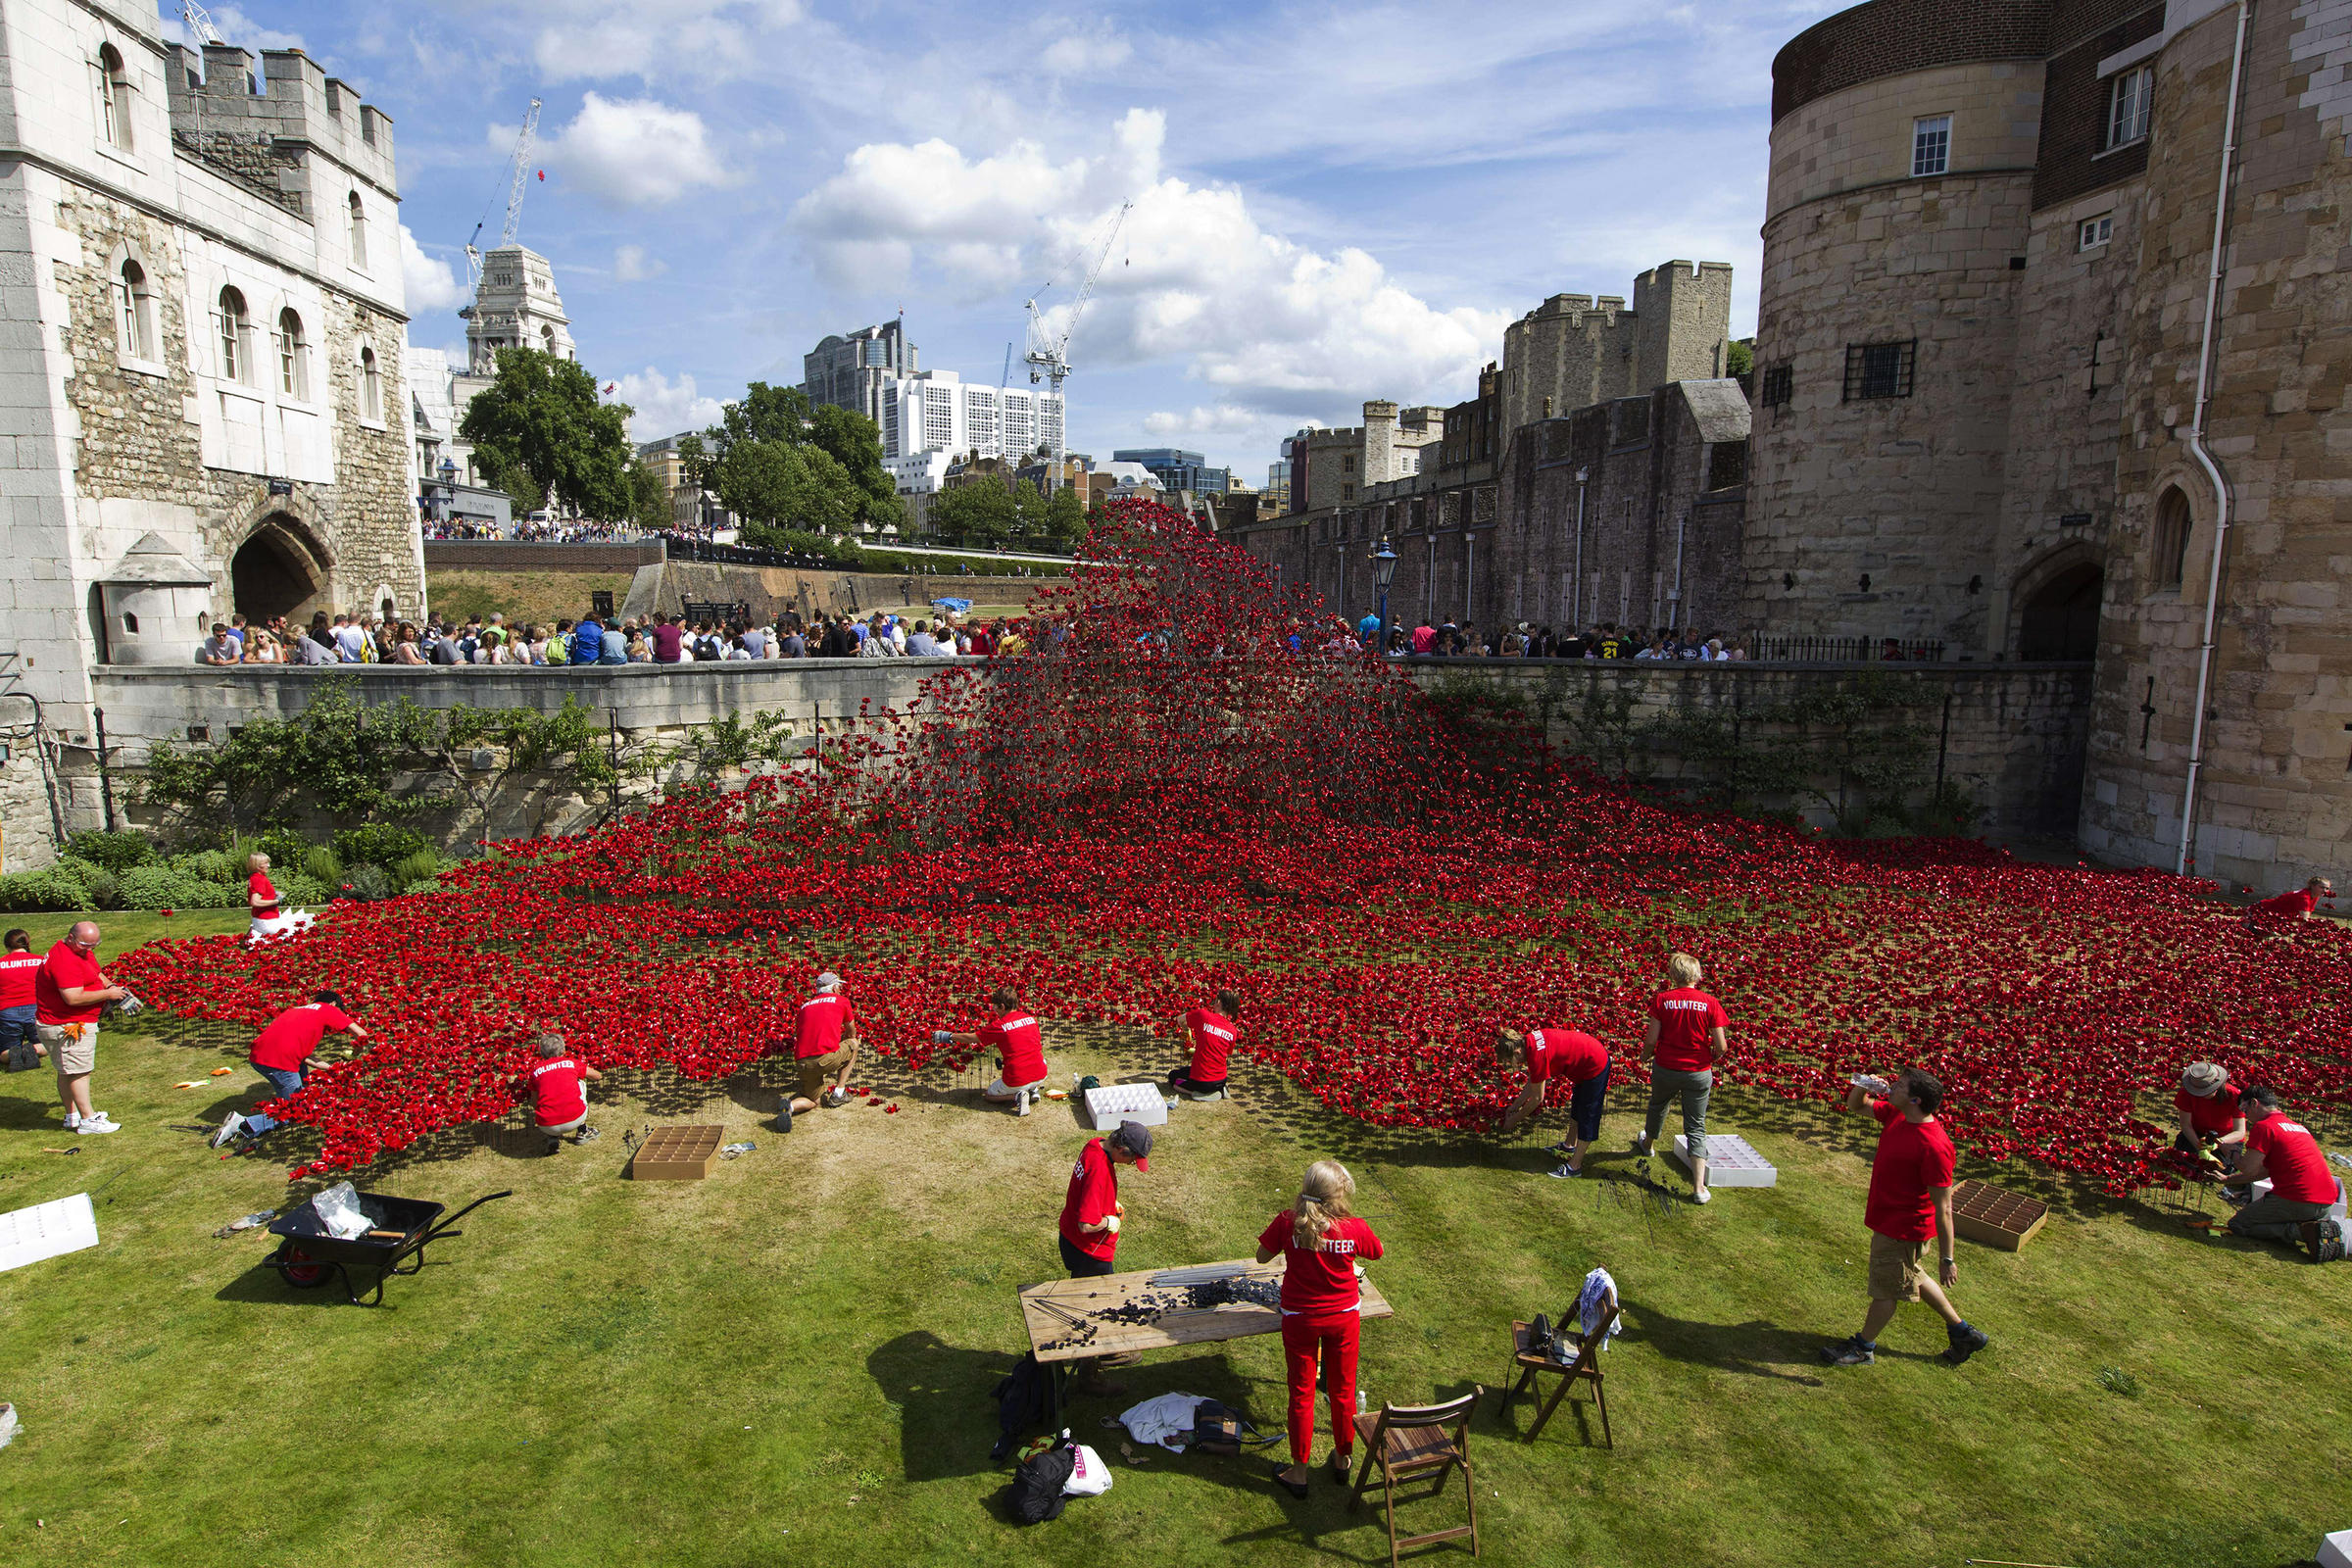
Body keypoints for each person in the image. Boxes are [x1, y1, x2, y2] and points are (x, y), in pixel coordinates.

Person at [1818, 1068, 1987, 1366]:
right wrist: (1862, 1085)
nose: (1891, 1086)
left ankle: (1862, 1348)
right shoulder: (1898, 1115)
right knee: (1911, 1276)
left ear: (1915, 1100)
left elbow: (1944, 1207)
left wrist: (1948, 1258)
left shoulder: (1934, 1146)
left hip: (1903, 1230)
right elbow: (1856, 1106)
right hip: (1891, 1223)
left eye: (1898, 1085)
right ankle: (1963, 1333)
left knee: (1885, 1291)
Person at [1256, 1160, 1384, 1497]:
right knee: (1343, 1392)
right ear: (1337, 1195)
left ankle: (1298, 1473)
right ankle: (1343, 1461)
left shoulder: (1288, 1222)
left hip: (1299, 1317)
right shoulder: (1353, 1227)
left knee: (1301, 1393)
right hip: (1343, 1318)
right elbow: (1377, 1252)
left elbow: (1261, 1257)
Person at [1057, 1119, 1152, 1396]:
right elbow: (1087, 1224)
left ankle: (1092, 1358)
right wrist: (1109, 1221)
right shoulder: (1100, 1168)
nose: (1133, 1165)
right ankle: (1091, 1373)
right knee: (1096, 1310)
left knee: (1085, 1302)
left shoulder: (1094, 1146)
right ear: (1121, 1148)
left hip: (1072, 1243)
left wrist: (1108, 1205)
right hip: (1091, 1252)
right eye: (1132, 1159)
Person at [211, 990, 370, 1146]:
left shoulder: (297, 1010)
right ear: (334, 1003)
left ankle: (299, 1100)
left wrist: (333, 1069)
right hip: (279, 1062)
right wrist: (354, 1056)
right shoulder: (328, 1008)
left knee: (304, 1093)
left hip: (260, 1057)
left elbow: (303, 1056)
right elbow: (362, 1035)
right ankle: (243, 1124)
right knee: (295, 1110)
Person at [1631, 952, 1728, 1201]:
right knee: (1696, 1124)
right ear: (1697, 975)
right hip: (1698, 1071)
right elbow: (1721, 1045)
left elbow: (1651, 1039)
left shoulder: (1662, 999)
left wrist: (1644, 1056)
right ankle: (1698, 1188)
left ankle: (1648, 1144)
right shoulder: (1710, 1002)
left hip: (1666, 1067)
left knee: (1658, 1105)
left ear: (1673, 974)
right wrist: (1713, 1057)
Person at [2221, 1085, 2343, 1259]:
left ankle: (2301, 1231)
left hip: (2298, 1198)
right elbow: (2263, 1172)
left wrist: (2230, 1151)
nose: (2245, 1115)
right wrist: (2227, 1179)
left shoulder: (2265, 1127)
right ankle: (2312, 1226)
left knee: (2239, 1224)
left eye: (2244, 1109)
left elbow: (2248, 1168)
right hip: (2327, 1200)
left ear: (2254, 1103)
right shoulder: (2297, 1127)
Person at [35, 920, 127, 1135]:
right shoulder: (64, 960)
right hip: (68, 1025)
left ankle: (72, 1116)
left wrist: (110, 985)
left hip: (61, 1022)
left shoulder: (78, 951)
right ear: (71, 938)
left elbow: (95, 973)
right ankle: (88, 1120)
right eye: (86, 945)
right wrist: (107, 995)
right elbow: (72, 997)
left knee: (66, 1070)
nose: (90, 949)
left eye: (95, 945)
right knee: (79, 1071)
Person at [1492, 1025, 1610, 1177]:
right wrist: (1514, 1106)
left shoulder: (1536, 1055)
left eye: (1510, 1060)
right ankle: (1569, 1146)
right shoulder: (1528, 1041)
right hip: (1585, 1058)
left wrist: (1514, 1119)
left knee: (1588, 1116)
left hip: (1594, 1064)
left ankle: (1575, 1166)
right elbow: (1534, 1081)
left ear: (1517, 1051)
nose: (1512, 1064)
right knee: (1577, 1106)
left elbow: (1537, 1098)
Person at [935, 988, 1051, 1110]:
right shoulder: (1031, 1019)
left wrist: (947, 1036)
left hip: (1017, 1078)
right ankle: (1033, 1089)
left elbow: (972, 1038)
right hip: (1041, 1073)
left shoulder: (1000, 1026)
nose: (994, 1011)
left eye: (995, 1007)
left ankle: (1018, 1095)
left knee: (989, 1095)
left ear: (1002, 1006)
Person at [778, 971, 859, 1130]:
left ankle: (789, 1107)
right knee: (854, 1043)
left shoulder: (804, 1007)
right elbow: (851, 1033)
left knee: (814, 1101)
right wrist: (844, 1040)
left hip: (802, 1063)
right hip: (824, 1059)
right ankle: (839, 1093)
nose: (841, 990)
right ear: (835, 988)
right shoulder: (841, 1001)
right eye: (839, 986)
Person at [520, 1032, 602, 1153]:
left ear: (542, 1054)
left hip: (546, 1125)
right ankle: (583, 1131)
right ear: (563, 1050)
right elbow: (597, 1076)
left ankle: (553, 1137)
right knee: (580, 1082)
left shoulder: (536, 1071)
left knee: (548, 1091)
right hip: (576, 1118)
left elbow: (534, 1102)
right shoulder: (571, 1063)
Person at [2174, 1060, 2247, 1172]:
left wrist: (2219, 1142)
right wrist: (2200, 1146)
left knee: (2222, 1168)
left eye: (2205, 1091)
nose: (2201, 1095)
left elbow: (2240, 1131)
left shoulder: (2234, 1095)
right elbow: (2186, 1125)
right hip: (2197, 1134)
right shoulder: (2186, 1093)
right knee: (2185, 1160)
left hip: (2225, 1138)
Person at [1168, 991, 1240, 1099]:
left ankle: (1198, 1094)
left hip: (1203, 1082)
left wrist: (1185, 1029)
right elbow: (1225, 1052)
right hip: (1221, 1079)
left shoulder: (1203, 1015)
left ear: (1219, 1002)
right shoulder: (1233, 1030)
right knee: (1185, 1071)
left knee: (1173, 1077)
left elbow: (1179, 1019)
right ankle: (1220, 1088)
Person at [0, 928, 47, 1073]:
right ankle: (33, 1049)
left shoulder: (1, 964)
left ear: (7, 946)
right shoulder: (40, 961)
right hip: (36, 1008)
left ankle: (14, 1053)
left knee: (4, 1053)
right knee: (46, 1045)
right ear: (27, 942)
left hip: (7, 1011)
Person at [2249, 875, 2332, 920]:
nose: (2325, 891)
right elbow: (2304, 919)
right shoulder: (2304, 897)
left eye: (2327, 888)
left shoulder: (2314, 896)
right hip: (2258, 911)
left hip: (2273, 918)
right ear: (2312, 886)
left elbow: (2306, 916)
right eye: (2322, 887)